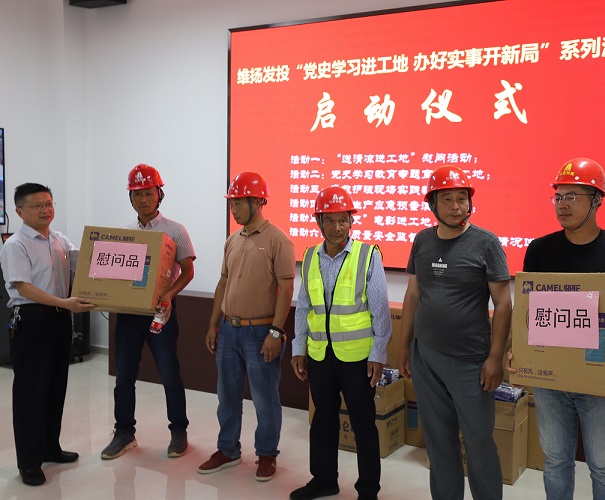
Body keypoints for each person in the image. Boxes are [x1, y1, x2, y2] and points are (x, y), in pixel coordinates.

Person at [507, 157, 605, 500]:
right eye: (558, 196)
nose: (562, 204)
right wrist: (516, 352)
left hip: (598, 378)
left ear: (596, 201)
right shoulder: (540, 249)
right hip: (550, 377)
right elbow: (528, 310)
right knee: (555, 460)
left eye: (572, 196)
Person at [398, 165, 512, 500]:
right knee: (438, 441)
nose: (455, 206)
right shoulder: (422, 241)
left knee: (478, 441)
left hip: (470, 361)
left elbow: (503, 303)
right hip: (425, 355)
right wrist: (404, 347)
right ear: (433, 204)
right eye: (447, 199)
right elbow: (413, 295)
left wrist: (495, 358)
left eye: (461, 198)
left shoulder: (486, 243)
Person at [290, 186, 391, 500]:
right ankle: (323, 480)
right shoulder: (310, 256)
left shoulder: (367, 255)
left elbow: (380, 309)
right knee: (322, 419)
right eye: (330, 220)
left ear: (352, 221)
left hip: (358, 358)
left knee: (363, 423)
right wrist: (298, 348)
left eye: (343, 220)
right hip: (320, 354)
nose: (337, 227)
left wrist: (378, 353)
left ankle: (368, 490)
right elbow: (304, 306)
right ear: (319, 222)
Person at [198, 171, 295, 482]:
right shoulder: (232, 240)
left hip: (260, 332)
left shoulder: (277, 240)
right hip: (229, 330)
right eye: (231, 203)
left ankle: (266, 454)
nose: (233, 209)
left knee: (265, 398)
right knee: (227, 396)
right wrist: (213, 325)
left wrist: (276, 332)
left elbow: (286, 289)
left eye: (238, 203)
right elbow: (223, 283)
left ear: (257, 202)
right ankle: (227, 449)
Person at [0, 183, 96, 486]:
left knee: (56, 387)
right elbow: (24, 288)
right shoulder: (15, 245)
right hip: (32, 320)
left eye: (49, 203)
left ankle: (50, 447)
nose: (45, 210)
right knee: (31, 392)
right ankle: (29, 462)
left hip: (59, 319)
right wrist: (64, 303)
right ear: (19, 211)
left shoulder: (59, 240)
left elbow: (87, 263)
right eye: (37, 205)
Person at [101, 164, 196, 460]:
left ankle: (178, 431)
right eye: (137, 194)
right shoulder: (125, 233)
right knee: (124, 376)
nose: (143, 199)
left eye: (148, 193)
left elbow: (188, 270)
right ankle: (124, 432)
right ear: (130, 198)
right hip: (128, 315)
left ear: (159, 195)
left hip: (160, 313)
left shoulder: (175, 230)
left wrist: (169, 293)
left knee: (169, 374)